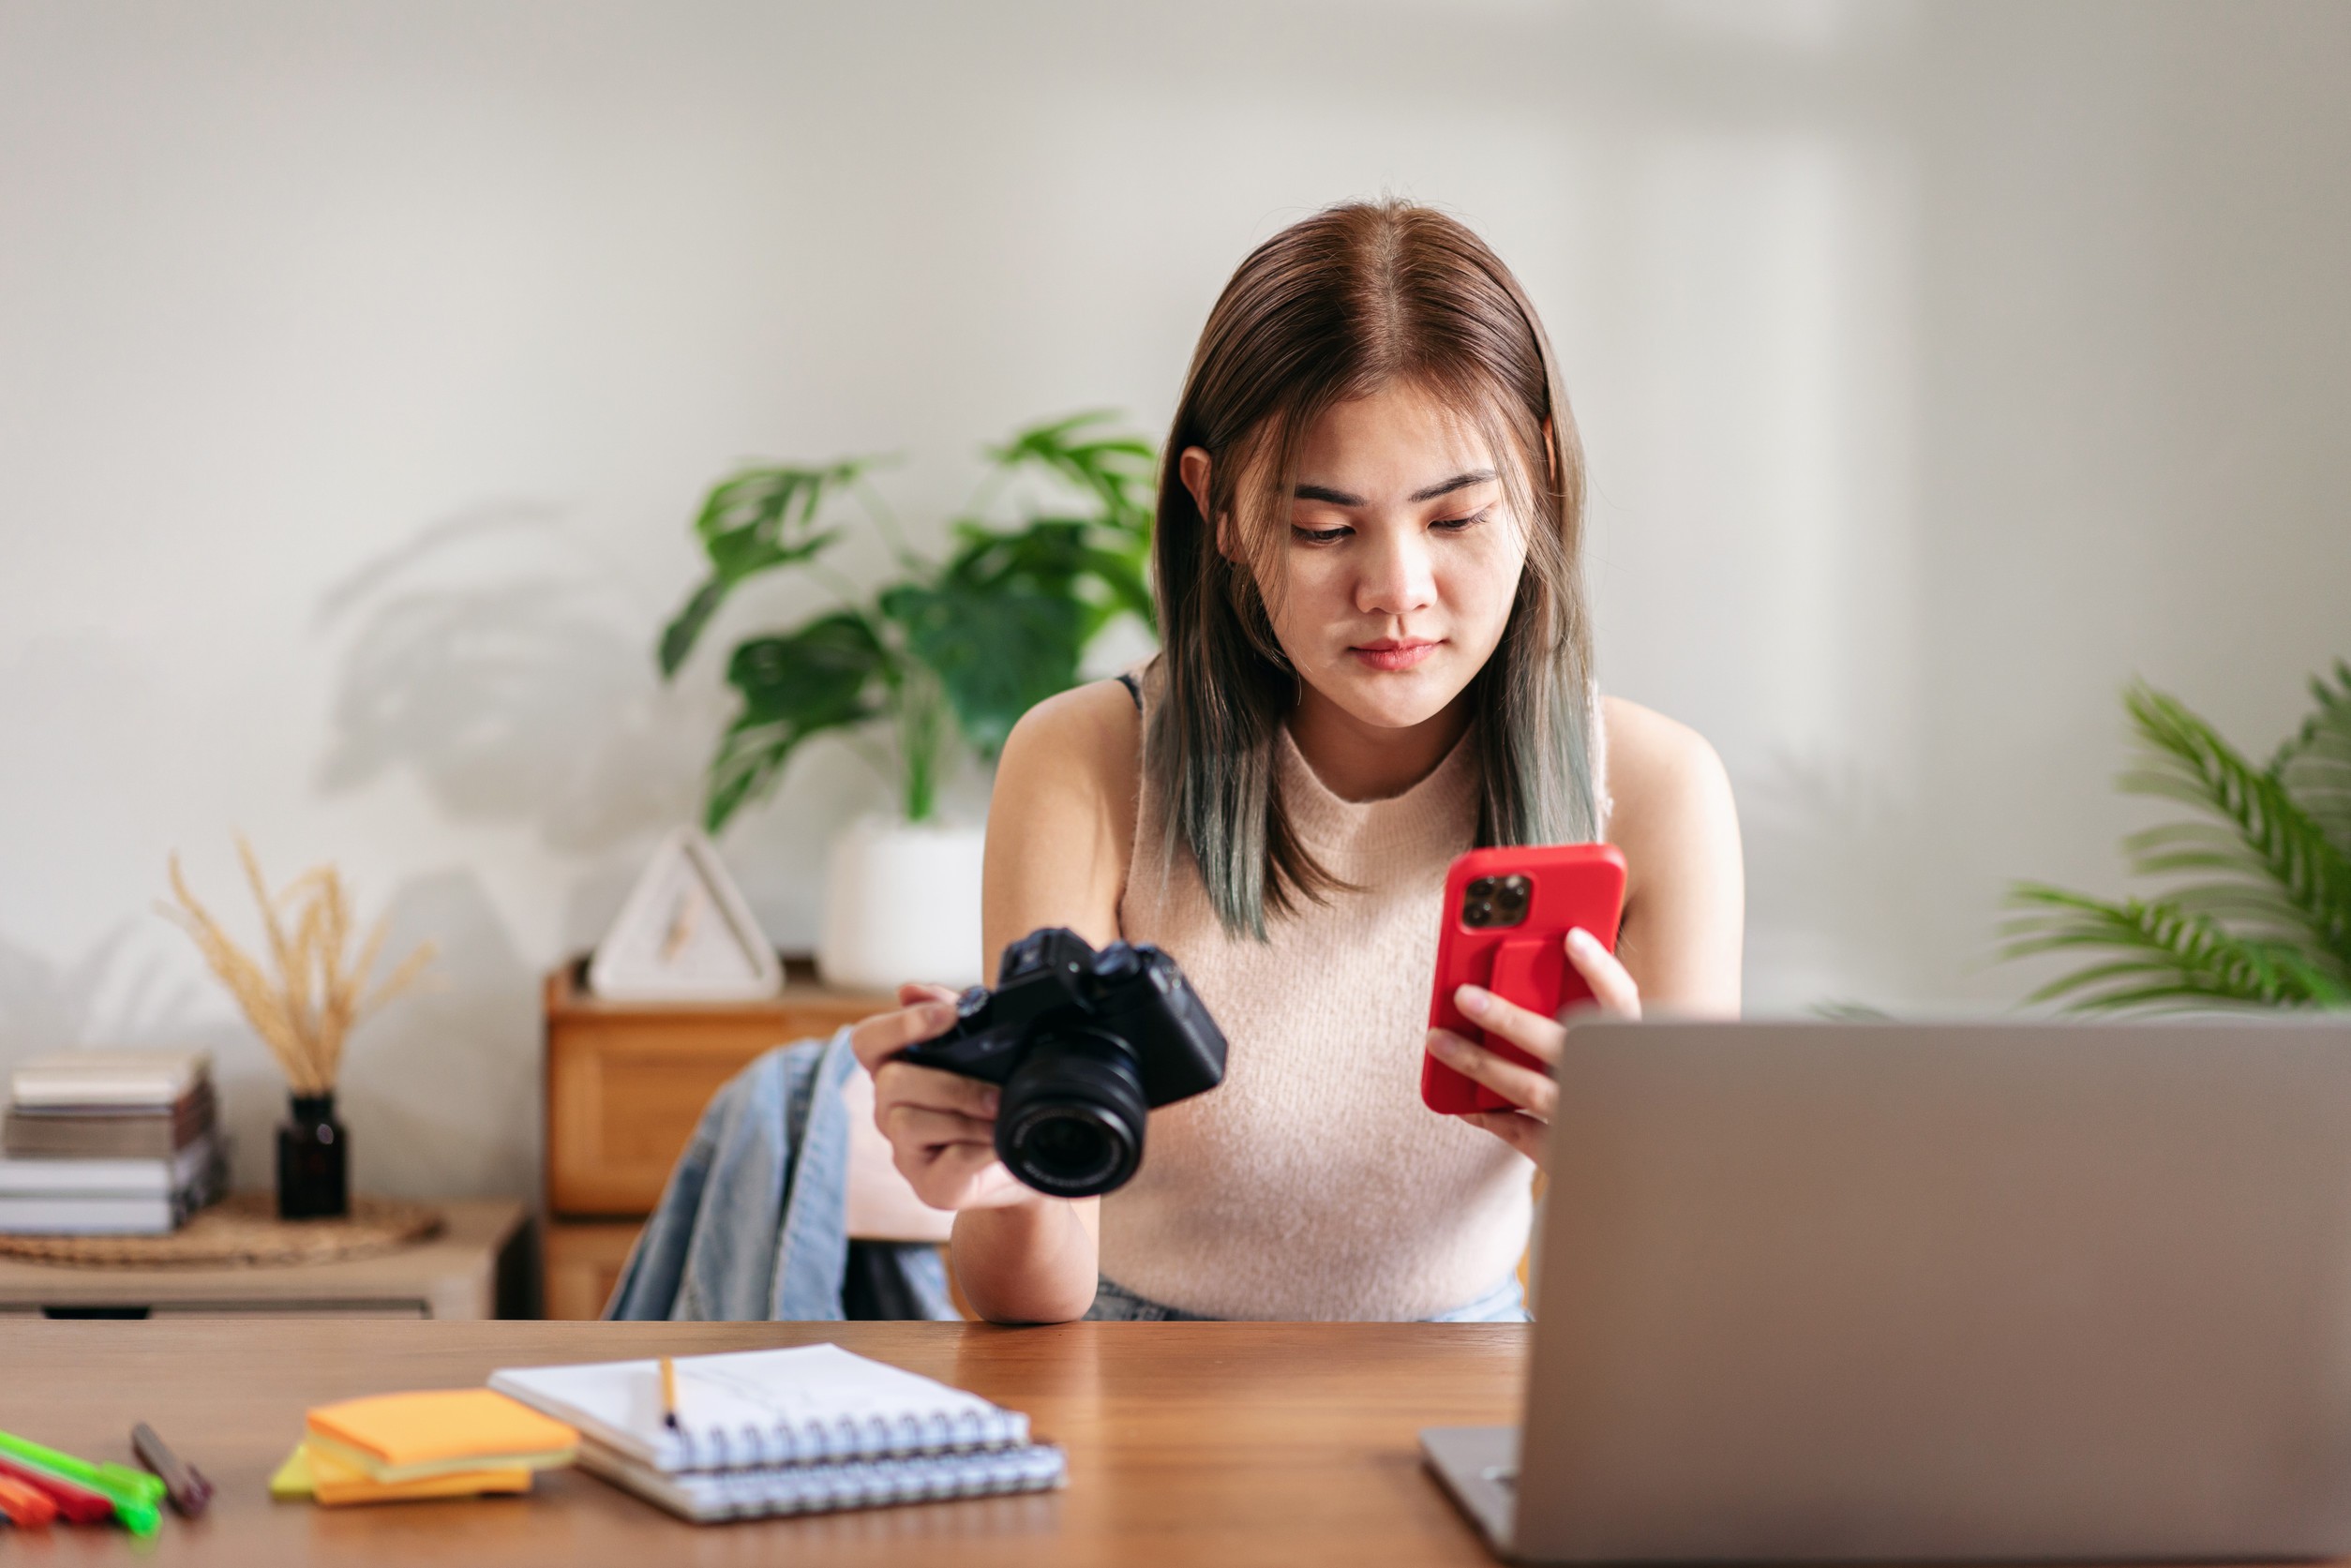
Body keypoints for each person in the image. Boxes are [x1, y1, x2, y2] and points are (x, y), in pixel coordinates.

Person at [852, 200, 1743, 1324]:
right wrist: (1005, 1175)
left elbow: (1677, 1309)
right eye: (1325, 529)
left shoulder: (1655, 793)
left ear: (1543, 476)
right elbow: (1023, 1305)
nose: (1397, 591)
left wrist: (1617, 1169)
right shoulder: (1085, 762)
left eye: (1457, 518)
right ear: (1217, 507)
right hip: (1138, 1376)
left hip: (1464, 1380)